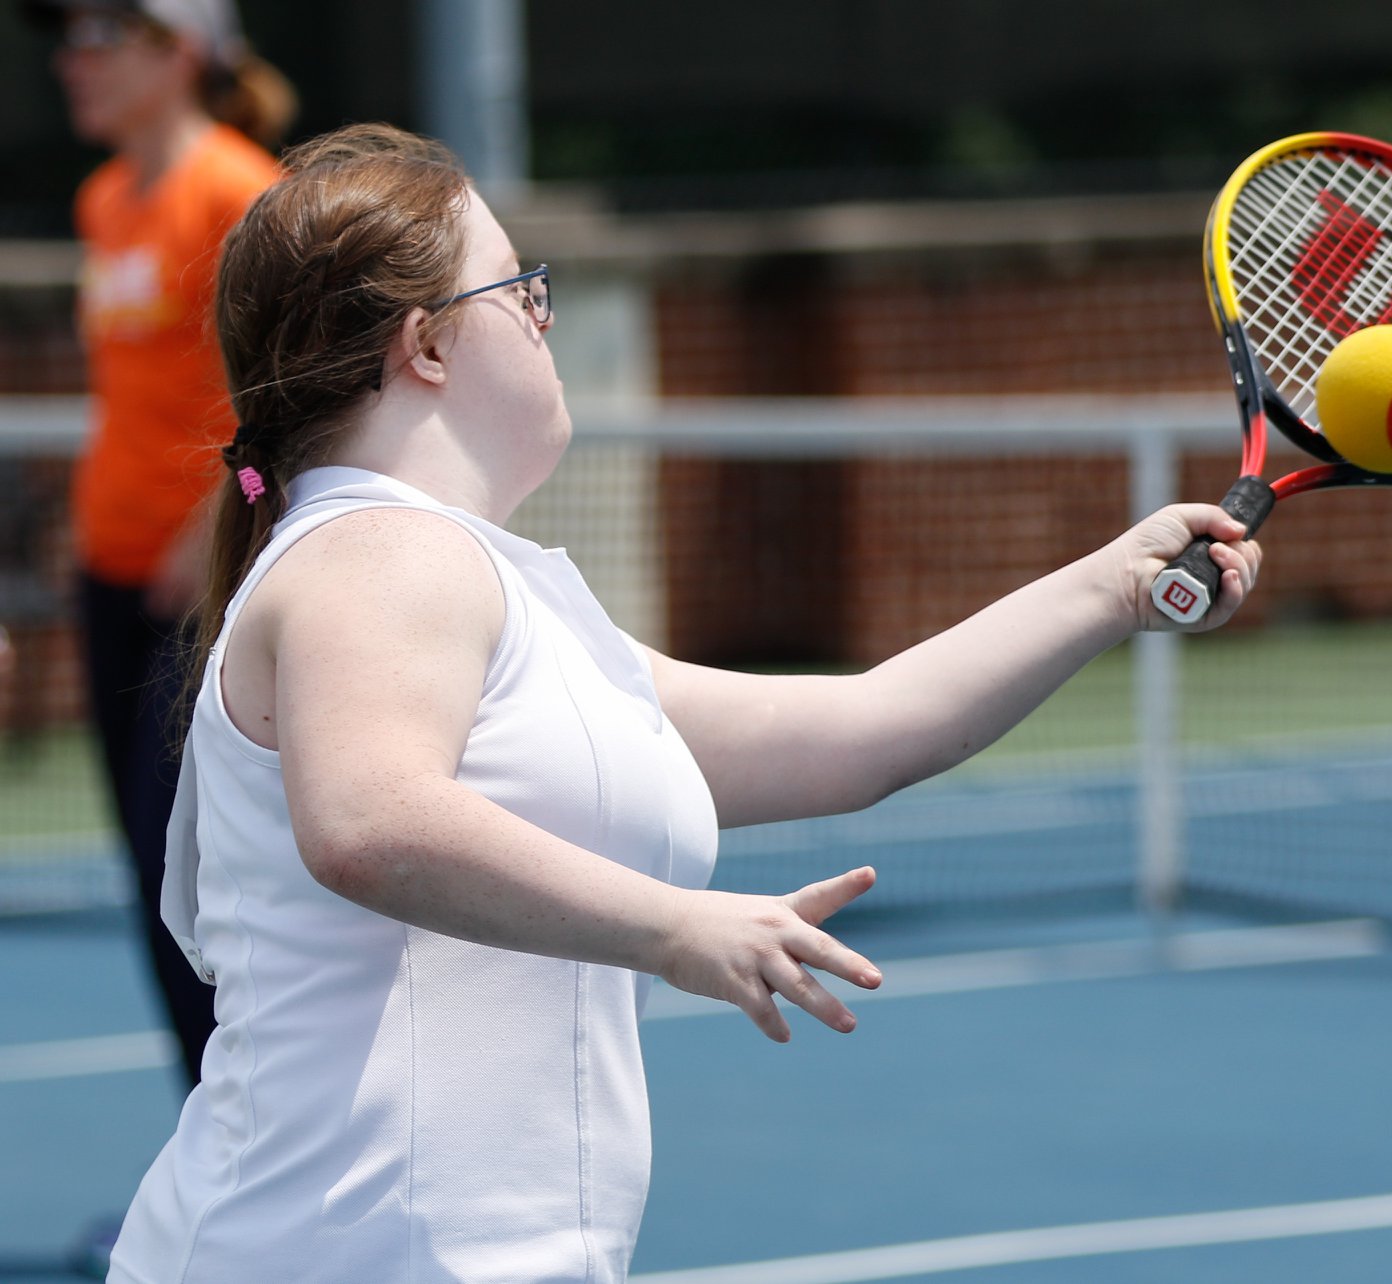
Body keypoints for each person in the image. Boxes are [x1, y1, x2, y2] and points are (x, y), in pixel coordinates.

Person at [107, 123, 1262, 1284]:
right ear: (428, 347)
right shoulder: (383, 554)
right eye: (521, 288)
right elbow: (369, 822)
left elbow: (860, 733)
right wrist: (677, 924)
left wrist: (1113, 586)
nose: (543, 316)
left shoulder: (502, 595)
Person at [22, 0, 295, 1094]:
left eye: (101, 37)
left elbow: (284, 408)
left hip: (201, 595)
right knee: (150, 874)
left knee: (203, 882)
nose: (70, 62)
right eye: (69, 37)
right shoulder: (103, 201)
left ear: (177, 53)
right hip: (112, 582)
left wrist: (214, 524)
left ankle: (256, 1152)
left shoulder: (239, 194)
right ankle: (212, 1151)